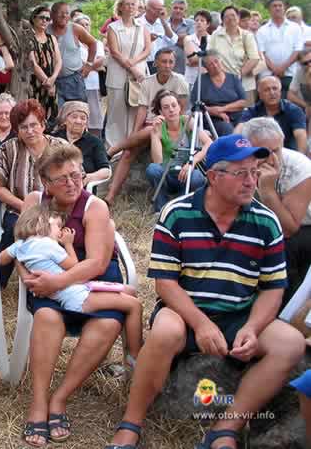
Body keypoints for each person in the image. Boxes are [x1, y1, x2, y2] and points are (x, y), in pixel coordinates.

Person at [105, 133, 306, 449]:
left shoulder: (266, 221)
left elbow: (272, 289)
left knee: (291, 343)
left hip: (239, 313)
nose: (251, 181)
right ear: (213, 176)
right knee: (166, 331)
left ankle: (224, 429)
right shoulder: (177, 213)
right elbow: (166, 283)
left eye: (256, 171)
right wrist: (200, 323)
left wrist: (253, 328)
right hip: (184, 310)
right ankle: (131, 422)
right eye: (241, 173)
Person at [18, 144, 125, 447]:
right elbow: (22, 245)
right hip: (48, 280)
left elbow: (97, 262)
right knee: (47, 317)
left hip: (92, 280)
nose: (72, 183)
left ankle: (60, 398)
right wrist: (26, 275)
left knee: (106, 324)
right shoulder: (35, 201)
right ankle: (39, 402)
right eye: (62, 179)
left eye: (76, 175)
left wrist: (59, 281)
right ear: (45, 184)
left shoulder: (95, 207)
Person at [0, 203, 141, 361]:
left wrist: (19, 259)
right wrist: (68, 244)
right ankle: (134, 358)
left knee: (129, 290)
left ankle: (132, 355)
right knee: (134, 305)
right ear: (41, 222)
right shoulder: (48, 245)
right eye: (58, 226)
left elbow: (1, 259)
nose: (60, 231)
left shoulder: (20, 245)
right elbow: (74, 265)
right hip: (77, 297)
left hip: (76, 290)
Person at [0, 99, 67, 287]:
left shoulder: (60, 147)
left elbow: (74, 181)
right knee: (14, 229)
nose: (30, 131)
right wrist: (22, 206)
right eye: (23, 127)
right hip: (19, 210)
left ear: (43, 125)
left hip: (57, 211)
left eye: (34, 125)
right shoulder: (8, 149)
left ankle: (59, 279)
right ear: (17, 130)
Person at [105, 48, 189, 206]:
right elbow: (142, 110)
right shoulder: (148, 82)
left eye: (171, 62)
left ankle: (111, 150)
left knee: (152, 128)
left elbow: (181, 110)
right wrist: (135, 135)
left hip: (170, 124)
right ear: (156, 63)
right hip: (150, 124)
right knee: (129, 151)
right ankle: (110, 195)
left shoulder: (180, 81)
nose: (167, 65)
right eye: (164, 61)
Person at [242, 117, 311, 305]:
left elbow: (288, 228)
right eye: (264, 152)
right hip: (263, 222)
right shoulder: (239, 164)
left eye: (277, 150)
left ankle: (283, 308)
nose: (273, 159)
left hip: (303, 229)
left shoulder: (301, 167)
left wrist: (268, 191)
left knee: (283, 246)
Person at [146, 89, 211, 212]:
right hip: (167, 175)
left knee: (197, 177)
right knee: (152, 169)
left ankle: (179, 206)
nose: (171, 110)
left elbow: (208, 143)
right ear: (160, 112)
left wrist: (192, 162)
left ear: (179, 107)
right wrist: (154, 135)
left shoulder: (187, 121)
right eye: (166, 107)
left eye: (174, 105)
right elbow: (158, 161)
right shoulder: (159, 128)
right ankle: (162, 209)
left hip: (186, 174)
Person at [104, 0, 151, 149]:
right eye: (127, 4)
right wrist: (131, 67)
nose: (131, 7)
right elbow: (115, 52)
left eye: (133, 4)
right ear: (121, 7)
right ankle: (114, 146)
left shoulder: (142, 27)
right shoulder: (113, 28)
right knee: (116, 112)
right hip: (117, 74)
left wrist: (134, 64)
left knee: (135, 111)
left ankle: (130, 144)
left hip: (137, 74)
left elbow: (147, 49)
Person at [235, 75, 307, 153]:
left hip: (288, 153)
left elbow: (300, 136)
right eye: (267, 90)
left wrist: (301, 158)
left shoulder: (294, 110)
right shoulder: (253, 111)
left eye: (275, 88)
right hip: (261, 154)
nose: (272, 93)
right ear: (260, 95)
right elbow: (238, 131)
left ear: (280, 92)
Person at [47, 2, 97, 107]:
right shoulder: (46, 30)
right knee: (55, 116)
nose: (64, 15)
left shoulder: (75, 28)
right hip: (51, 80)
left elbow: (92, 43)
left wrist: (89, 64)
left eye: (67, 13)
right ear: (52, 15)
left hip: (73, 80)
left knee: (76, 111)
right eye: (60, 13)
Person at [208, 6, 260, 105]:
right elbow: (209, 55)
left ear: (238, 17)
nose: (230, 18)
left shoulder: (247, 36)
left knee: (245, 115)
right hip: (221, 83)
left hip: (245, 84)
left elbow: (254, 58)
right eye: (227, 16)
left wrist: (238, 75)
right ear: (222, 20)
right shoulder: (216, 35)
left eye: (233, 15)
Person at [256, 0, 304, 98]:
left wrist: (283, 68)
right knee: (270, 105)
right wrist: (275, 69)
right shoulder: (262, 30)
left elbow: (298, 50)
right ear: (269, 9)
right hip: (268, 75)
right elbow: (261, 53)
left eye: (280, 5)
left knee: (292, 105)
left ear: (284, 8)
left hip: (291, 74)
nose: (277, 8)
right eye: (274, 6)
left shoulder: (295, 28)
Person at [52, 101, 110, 185]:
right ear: (65, 120)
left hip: (83, 188)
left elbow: (106, 171)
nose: (78, 121)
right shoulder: (54, 138)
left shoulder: (94, 142)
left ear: (86, 123)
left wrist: (88, 177)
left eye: (83, 118)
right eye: (74, 117)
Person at [195, 51, 248, 136]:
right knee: (227, 129)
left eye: (216, 61)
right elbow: (195, 104)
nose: (215, 66)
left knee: (247, 127)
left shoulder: (233, 78)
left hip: (237, 116)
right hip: (213, 118)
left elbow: (243, 102)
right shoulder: (201, 81)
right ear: (206, 67)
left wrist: (222, 109)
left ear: (221, 61)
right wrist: (213, 111)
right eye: (210, 64)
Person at [29, 6, 62, 121]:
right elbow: (33, 63)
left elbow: (58, 61)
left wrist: (52, 79)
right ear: (34, 18)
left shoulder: (51, 38)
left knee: (52, 116)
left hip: (51, 81)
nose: (45, 21)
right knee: (35, 115)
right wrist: (47, 82)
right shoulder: (29, 38)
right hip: (35, 84)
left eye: (48, 19)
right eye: (42, 17)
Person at [75, 14, 106, 135]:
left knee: (95, 115)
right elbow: (76, 62)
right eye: (82, 25)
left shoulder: (97, 43)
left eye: (87, 24)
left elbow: (102, 60)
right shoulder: (74, 43)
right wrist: (94, 67)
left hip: (94, 84)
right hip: (79, 83)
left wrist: (88, 67)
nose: (85, 27)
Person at [138, 0, 175, 74]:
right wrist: (148, 40)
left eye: (160, 9)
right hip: (143, 63)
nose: (157, 12)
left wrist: (163, 21)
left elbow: (173, 40)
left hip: (161, 64)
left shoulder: (163, 23)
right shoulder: (137, 23)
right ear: (146, 8)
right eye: (154, 9)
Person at [167, 0, 195, 75]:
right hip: (163, 67)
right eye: (175, 8)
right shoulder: (163, 23)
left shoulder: (191, 24)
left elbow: (190, 43)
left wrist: (170, 37)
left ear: (185, 11)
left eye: (181, 9)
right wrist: (182, 37)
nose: (178, 10)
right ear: (171, 9)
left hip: (182, 69)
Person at [184, 10, 211, 88]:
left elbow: (213, 61)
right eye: (197, 20)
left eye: (202, 20)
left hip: (208, 78)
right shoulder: (188, 39)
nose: (199, 22)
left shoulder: (212, 39)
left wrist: (197, 59)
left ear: (208, 24)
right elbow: (191, 60)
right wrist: (207, 57)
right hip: (191, 79)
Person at [289, 47, 311, 127]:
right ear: (300, 64)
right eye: (305, 63)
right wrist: (306, 105)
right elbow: (290, 95)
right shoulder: (299, 72)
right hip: (306, 108)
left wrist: (309, 80)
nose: (309, 65)